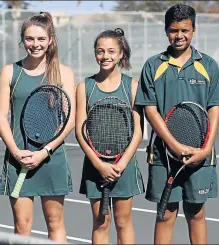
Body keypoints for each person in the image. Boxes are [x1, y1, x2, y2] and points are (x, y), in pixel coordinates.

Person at [135, 4, 219, 244]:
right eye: (174, 30)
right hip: (163, 154)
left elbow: (214, 108)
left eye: (185, 30)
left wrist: (206, 149)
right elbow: (150, 109)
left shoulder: (208, 65)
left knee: (196, 214)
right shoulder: (153, 66)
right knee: (165, 215)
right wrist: (174, 145)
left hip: (200, 153)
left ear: (194, 30)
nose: (179, 35)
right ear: (166, 31)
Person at [0, 12, 75, 242]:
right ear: (23, 40)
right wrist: (15, 151)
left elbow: (69, 120)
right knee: (22, 226)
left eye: (41, 39)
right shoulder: (10, 72)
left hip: (51, 158)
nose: (35, 44)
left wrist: (44, 151)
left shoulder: (64, 73)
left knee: (55, 223)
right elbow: (1, 116)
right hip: (17, 158)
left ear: (50, 40)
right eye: (30, 39)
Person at [75, 28, 145, 244]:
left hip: (123, 166)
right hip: (95, 166)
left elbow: (138, 132)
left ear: (121, 53)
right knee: (100, 222)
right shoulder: (84, 87)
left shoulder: (132, 86)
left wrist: (121, 164)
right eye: (100, 51)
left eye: (111, 51)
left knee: (123, 222)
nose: (105, 56)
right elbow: (80, 131)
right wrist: (99, 165)